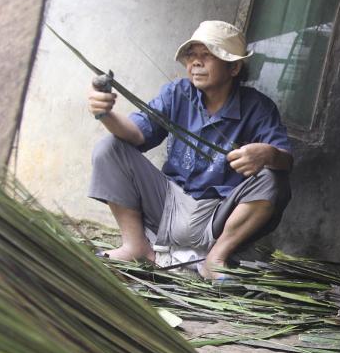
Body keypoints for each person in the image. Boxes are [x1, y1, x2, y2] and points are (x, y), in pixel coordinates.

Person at [86, 20, 293, 279]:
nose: (196, 62)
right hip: (169, 203)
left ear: (234, 67)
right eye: (191, 55)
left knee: (273, 179)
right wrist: (105, 114)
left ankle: (216, 258)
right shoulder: (177, 93)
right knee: (109, 148)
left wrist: (268, 154)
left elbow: (285, 159)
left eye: (206, 55)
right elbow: (137, 134)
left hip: (217, 213)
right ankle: (135, 246)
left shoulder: (258, 108)